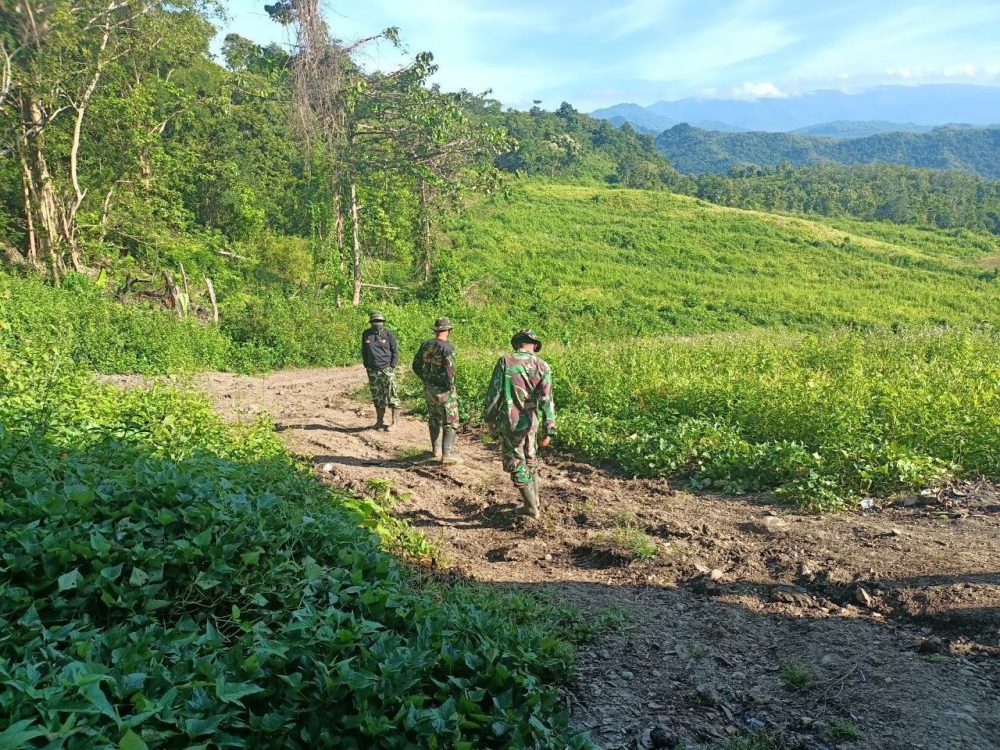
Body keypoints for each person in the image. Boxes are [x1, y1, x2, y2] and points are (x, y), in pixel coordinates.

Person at [483, 328, 556, 519]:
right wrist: (550, 429)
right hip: (531, 423)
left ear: (517, 344)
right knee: (530, 459)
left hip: (511, 422)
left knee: (516, 463)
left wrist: (489, 419)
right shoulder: (543, 366)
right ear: (534, 346)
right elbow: (547, 400)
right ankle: (535, 501)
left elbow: (494, 394)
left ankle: (531, 508)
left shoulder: (506, 362)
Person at [411, 317, 461, 463]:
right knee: (451, 421)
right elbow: (450, 371)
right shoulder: (447, 348)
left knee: (434, 418)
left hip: (429, 388)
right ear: (449, 331)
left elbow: (416, 365)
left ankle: (436, 450)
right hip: (444, 390)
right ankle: (448, 454)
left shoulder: (426, 345)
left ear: (435, 330)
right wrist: (449, 386)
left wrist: (426, 378)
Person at [361, 310, 400, 431]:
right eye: (374, 321)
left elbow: (395, 352)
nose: (377, 323)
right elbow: (364, 351)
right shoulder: (366, 334)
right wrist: (367, 365)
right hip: (373, 370)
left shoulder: (389, 335)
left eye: (379, 321)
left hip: (387, 369)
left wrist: (392, 366)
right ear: (371, 322)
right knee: (377, 396)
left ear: (383, 322)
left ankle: (395, 423)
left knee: (392, 394)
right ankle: (379, 421)